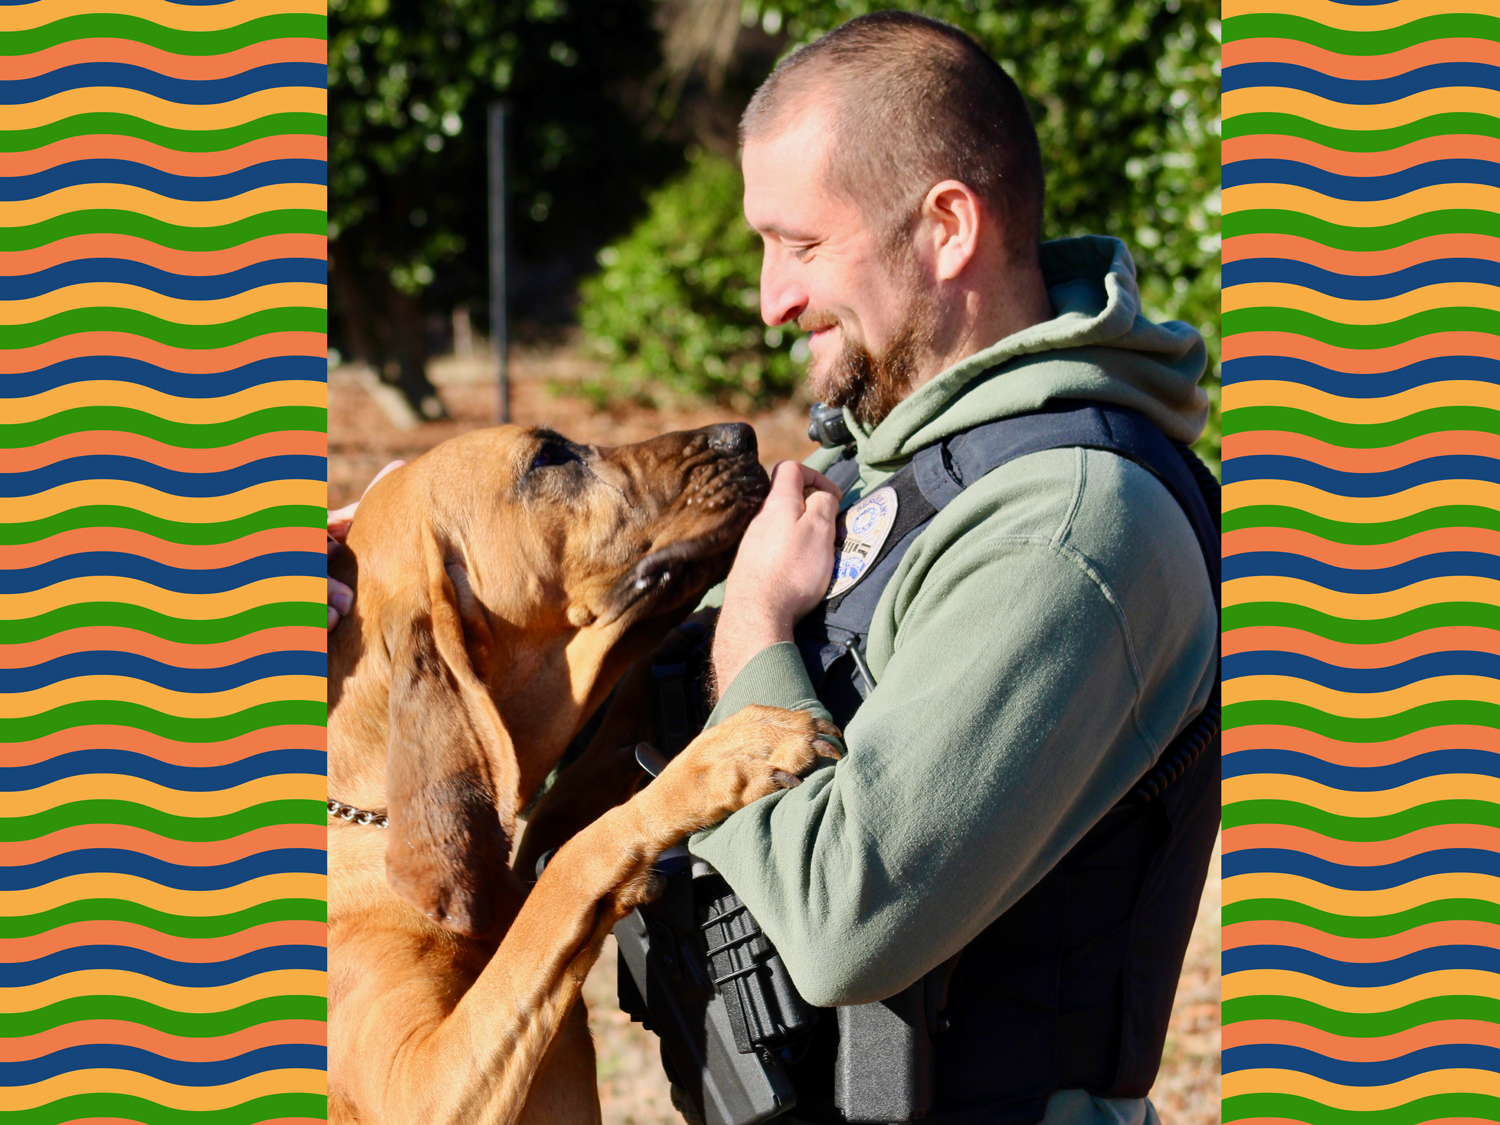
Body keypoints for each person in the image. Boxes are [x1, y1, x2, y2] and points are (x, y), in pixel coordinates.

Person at [330, 12, 1217, 1123]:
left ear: (946, 227)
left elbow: (849, 919)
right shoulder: (903, 466)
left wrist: (751, 626)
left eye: (800, 246)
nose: (771, 298)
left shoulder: (1072, 529)